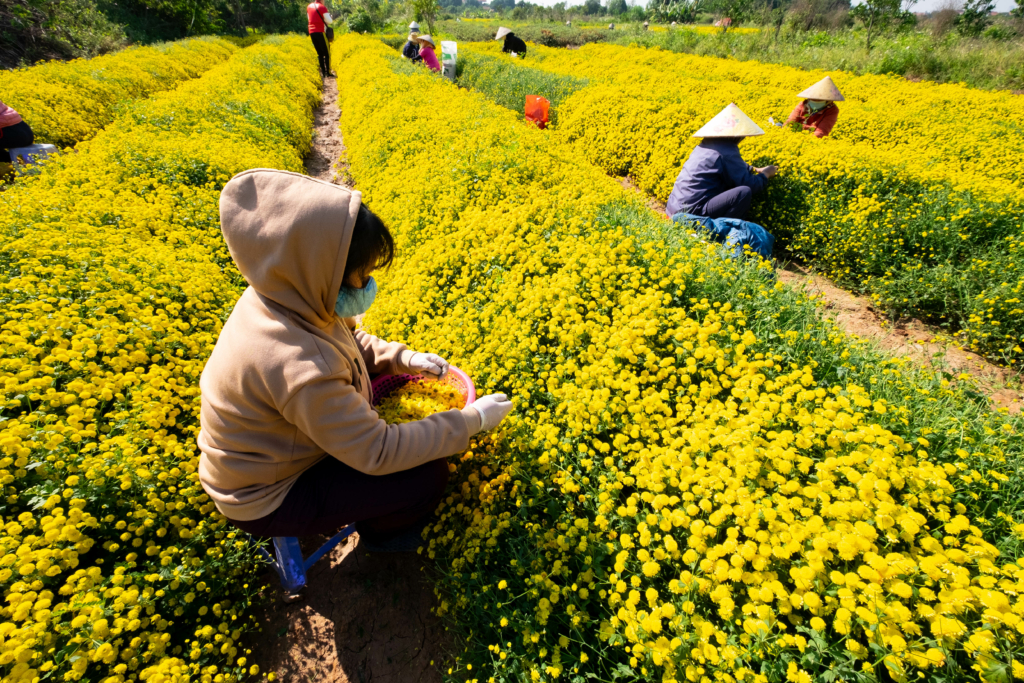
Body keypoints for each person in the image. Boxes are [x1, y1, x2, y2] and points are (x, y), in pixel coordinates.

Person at [198, 169, 514, 551]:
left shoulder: (288, 293)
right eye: (361, 276)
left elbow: (349, 336)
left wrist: (404, 358)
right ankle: (385, 536)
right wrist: (471, 421)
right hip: (267, 495)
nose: (368, 285)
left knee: (411, 444)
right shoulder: (301, 366)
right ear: (319, 271)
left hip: (278, 453)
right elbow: (377, 450)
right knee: (426, 477)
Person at [665, 103, 777, 221]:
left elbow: (724, 164)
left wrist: (753, 169)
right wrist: (766, 174)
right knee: (743, 193)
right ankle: (719, 231)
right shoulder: (727, 150)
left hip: (675, 208)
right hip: (692, 212)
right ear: (737, 135)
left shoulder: (705, 145)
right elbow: (751, 184)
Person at [307, 1, 334, 78]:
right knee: (327, 53)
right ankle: (328, 72)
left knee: (320, 54)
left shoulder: (309, 7)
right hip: (320, 32)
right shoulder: (322, 7)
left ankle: (323, 72)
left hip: (312, 32)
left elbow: (309, 19)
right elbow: (329, 21)